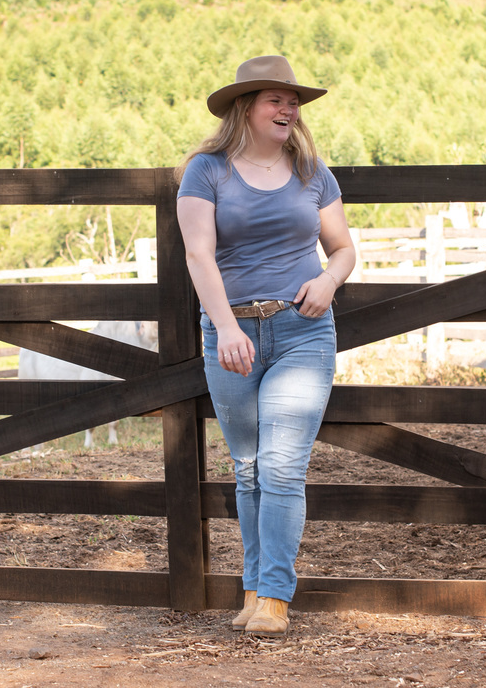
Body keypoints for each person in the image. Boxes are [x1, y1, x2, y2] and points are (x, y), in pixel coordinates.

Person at [175, 55, 355, 637]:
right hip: (232, 333)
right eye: (276, 99)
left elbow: (344, 248)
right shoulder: (205, 171)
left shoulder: (313, 172)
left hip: (302, 330)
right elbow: (198, 254)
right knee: (248, 467)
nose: (289, 109)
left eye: (293, 100)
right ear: (244, 108)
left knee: (282, 465)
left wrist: (328, 281)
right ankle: (253, 589)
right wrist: (225, 326)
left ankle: (275, 597)